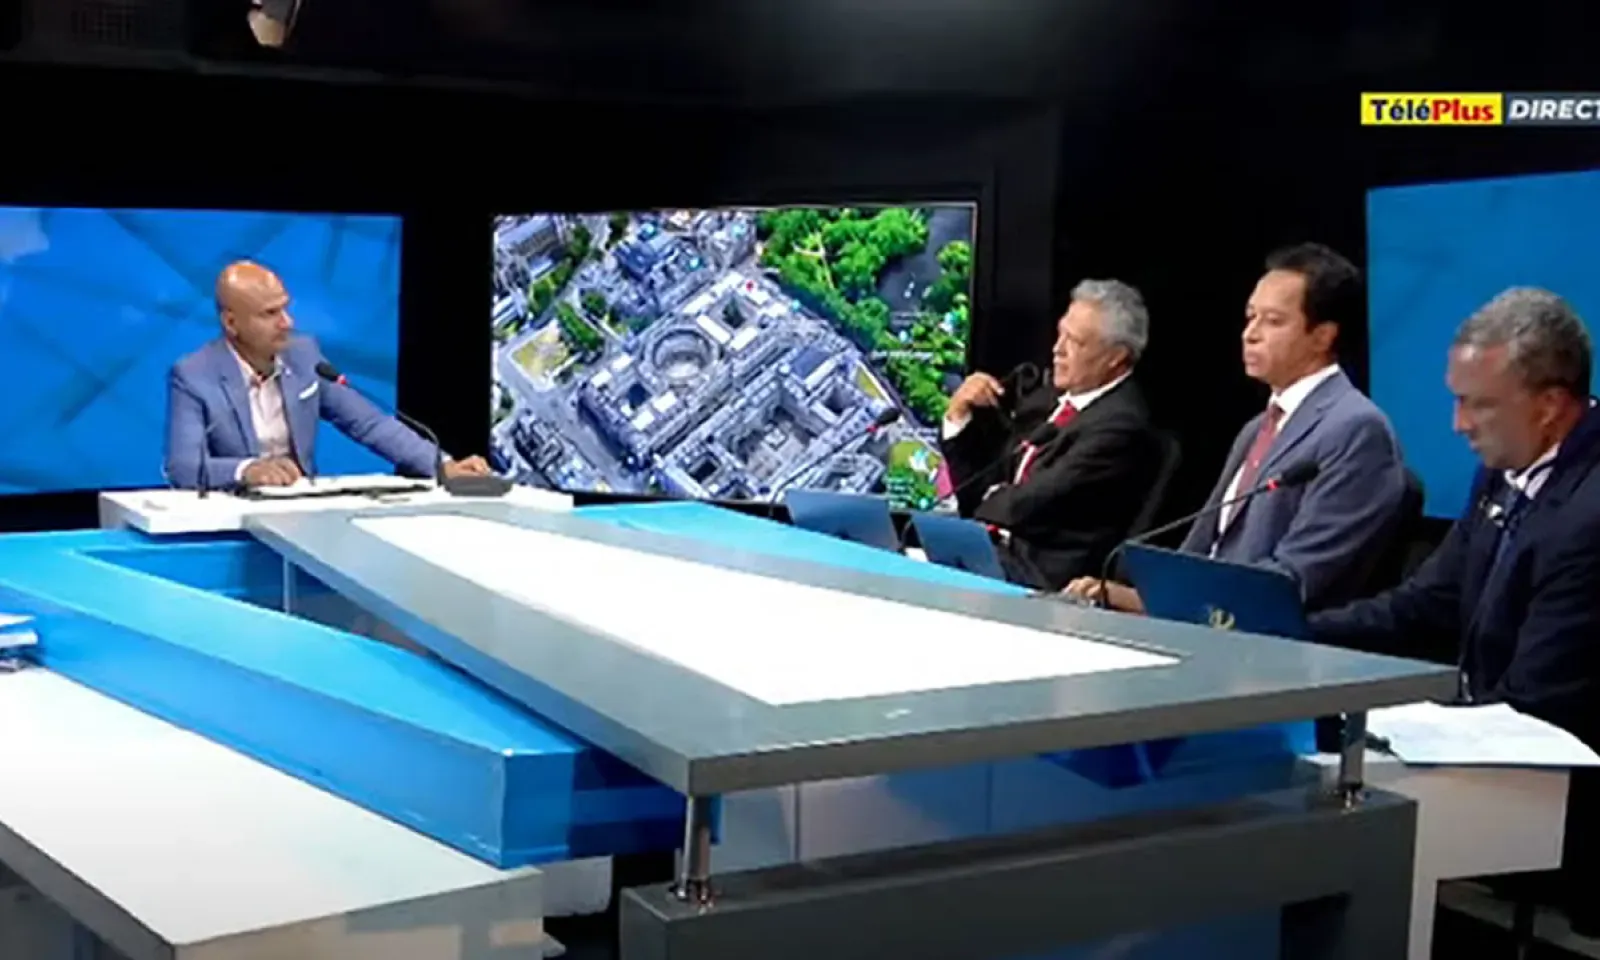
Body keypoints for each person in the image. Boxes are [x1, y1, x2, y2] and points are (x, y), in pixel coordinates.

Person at [1309, 288, 1600, 935]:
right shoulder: (1506, 467)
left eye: (1477, 404)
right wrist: (1295, 632)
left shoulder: (1590, 514)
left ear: (1550, 405)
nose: (1457, 424)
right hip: (1490, 739)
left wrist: (1406, 726)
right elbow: (1425, 602)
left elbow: (1538, 704)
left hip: (1566, 801)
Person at [1065, 243, 1408, 612]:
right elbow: (1200, 553)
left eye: (1273, 321)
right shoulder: (1257, 427)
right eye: (1250, 317)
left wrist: (1165, 605)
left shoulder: (1356, 429)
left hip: (1266, 638)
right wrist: (1132, 597)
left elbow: (1294, 580)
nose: (1250, 334)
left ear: (1323, 336)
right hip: (1203, 623)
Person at [164, 261, 492, 490]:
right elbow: (184, 467)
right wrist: (247, 470)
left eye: (285, 308)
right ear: (231, 323)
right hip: (230, 516)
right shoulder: (194, 375)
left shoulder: (303, 356)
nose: (287, 323)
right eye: (270, 313)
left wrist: (441, 465)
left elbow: (369, 424)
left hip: (298, 510)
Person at [940, 279, 1163, 589]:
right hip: (997, 558)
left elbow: (1026, 505)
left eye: (1075, 342)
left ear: (1115, 356)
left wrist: (987, 497)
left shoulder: (1122, 426)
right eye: (1061, 334)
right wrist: (958, 417)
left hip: (1043, 583)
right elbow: (977, 489)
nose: (1057, 350)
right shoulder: (1049, 400)